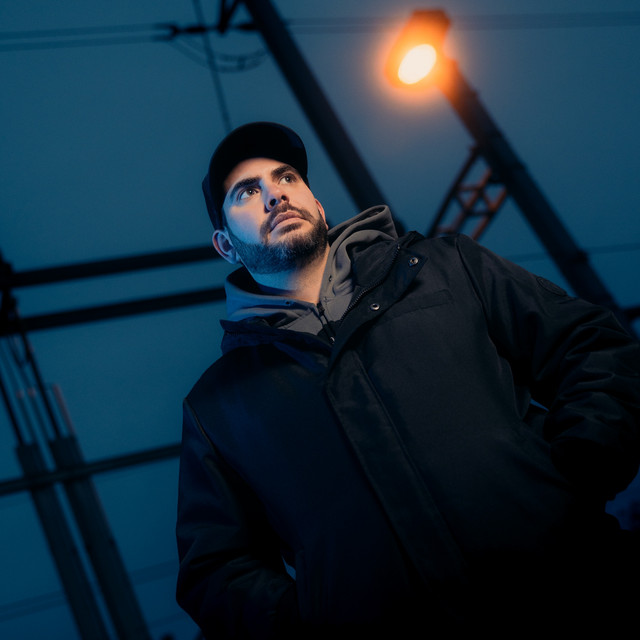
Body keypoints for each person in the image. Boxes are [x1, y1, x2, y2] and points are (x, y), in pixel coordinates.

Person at [176, 121, 640, 638]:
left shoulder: (445, 269)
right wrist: (311, 620)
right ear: (225, 245)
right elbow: (214, 571)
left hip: (585, 595)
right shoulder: (218, 407)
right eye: (246, 192)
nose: (275, 194)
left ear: (317, 205)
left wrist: (580, 469)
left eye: (286, 177)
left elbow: (593, 347)